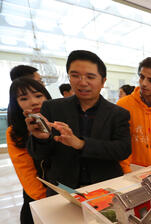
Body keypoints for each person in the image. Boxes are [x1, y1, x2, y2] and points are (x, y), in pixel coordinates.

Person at [26, 50, 131, 192]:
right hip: (62, 189)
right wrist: (41, 139)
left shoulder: (118, 113)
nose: (82, 82)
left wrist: (81, 144)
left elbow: (123, 150)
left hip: (105, 187)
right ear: (69, 78)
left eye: (90, 77)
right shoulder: (52, 107)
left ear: (103, 81)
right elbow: (38, 155)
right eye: (75, 76)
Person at [7, 78, 51, 224]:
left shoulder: (58, 119)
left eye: (38, 95)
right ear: (16, 103)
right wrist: (45, 198)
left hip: (61, 186)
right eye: (23, 98)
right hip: (38, 192)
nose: (33, 102)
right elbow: (25, 169)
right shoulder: (15, 131)